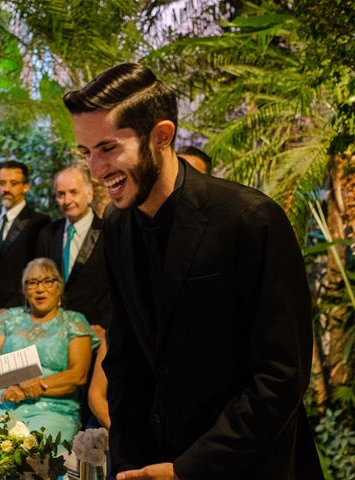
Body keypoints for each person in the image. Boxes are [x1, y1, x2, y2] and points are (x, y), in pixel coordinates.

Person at [63, 63, 323, 480]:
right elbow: (126, 361)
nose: (95, 170)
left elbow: (281, 378)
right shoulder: (115, 224)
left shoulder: (250, 219)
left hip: (249, 466)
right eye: (86, 152)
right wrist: (128, 466)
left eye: (108, 148)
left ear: (161, 137)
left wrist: (188, 470)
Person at [0, 258, 98, 451]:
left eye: (47, 281)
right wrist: (14, 386)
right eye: (32, 282)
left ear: (58, 287)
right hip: (3, 401)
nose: (40, 288)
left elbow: (78, 375)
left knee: (34, 455)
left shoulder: (74, 322)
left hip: (54, 408)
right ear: (24, 290)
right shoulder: (7, 318)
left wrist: (36, 386)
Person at [36, 165, 111, 331]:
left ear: (89, 194)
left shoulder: (109, 234)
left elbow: (119, 289)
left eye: (73, 192)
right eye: (61, 194)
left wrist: (106, 327)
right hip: (53, 331)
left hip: (94, 331)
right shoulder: (47, 234)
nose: (67, 200)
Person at [0, 161, 49, 318]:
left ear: (25, 187)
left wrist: (13, 307)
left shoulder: (39, 223)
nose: (6, 189)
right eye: (2, 183)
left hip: (23, 312)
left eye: (13, 183)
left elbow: (39, 274)